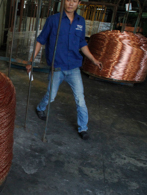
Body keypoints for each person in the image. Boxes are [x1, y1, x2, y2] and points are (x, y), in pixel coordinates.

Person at [26, 0, 102, 140]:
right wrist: (31, 60)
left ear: (78, 3)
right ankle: (40, 108)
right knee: (51, 95)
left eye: (74, 0)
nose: (70, 3)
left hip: (73, 68)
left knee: (80, 99)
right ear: (63, 1)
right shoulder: (53, 20)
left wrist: (93, 59)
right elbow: (41, 40)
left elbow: (82, 43)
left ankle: (83, 128)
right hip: (57, 67)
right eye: (68, 0)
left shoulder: (81, 22)